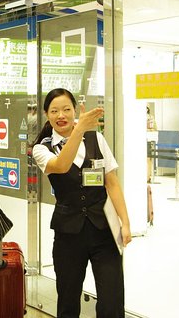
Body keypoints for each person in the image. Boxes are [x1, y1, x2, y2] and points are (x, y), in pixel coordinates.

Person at [32, 88, 132, 318]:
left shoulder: (96, 138)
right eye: (55, 110)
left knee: (112, 301)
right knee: (68, 301)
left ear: (75, 109)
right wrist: (79, 129)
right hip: (68, 234)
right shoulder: (41, 148)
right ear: (46, 114)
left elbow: (112, 183)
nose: (61, 115)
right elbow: (61, 166)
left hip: (103, 231)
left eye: (67, 109)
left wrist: (125, 223)